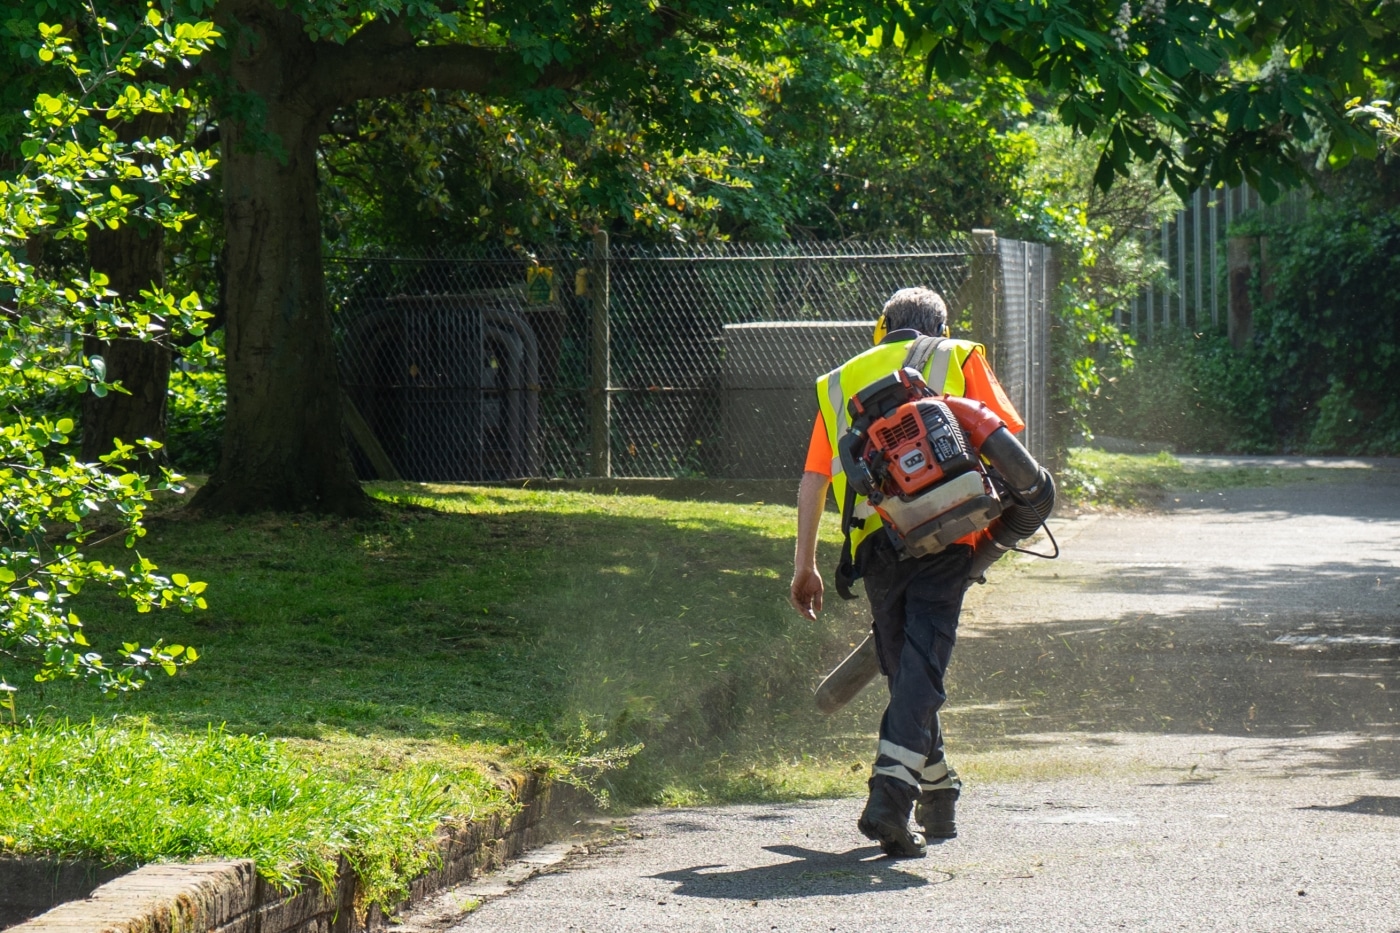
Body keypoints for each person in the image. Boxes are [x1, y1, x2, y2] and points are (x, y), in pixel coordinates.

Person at [788, 286, 1028, 858]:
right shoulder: (960, 356)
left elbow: (815, 479)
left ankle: (938, 793)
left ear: (882, 326)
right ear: (939, 326)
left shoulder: (840, 380)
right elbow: (1007, 443)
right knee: (918, 667)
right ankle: (892, 798)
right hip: (947, 532)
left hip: (874, 542)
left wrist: (804, 565)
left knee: (906, 664)